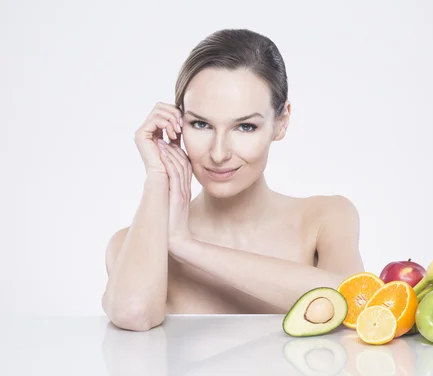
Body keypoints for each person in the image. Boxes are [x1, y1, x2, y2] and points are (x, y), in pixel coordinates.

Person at [101, 28, 365, 332]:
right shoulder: (134, 246)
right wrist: (158, 176)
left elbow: (351, 299)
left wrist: (187, 246)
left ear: (281, 122)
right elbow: (133, 312)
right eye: (200, 124)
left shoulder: (324, 218)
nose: (218, 153)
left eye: (245, 127)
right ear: (178, 123)